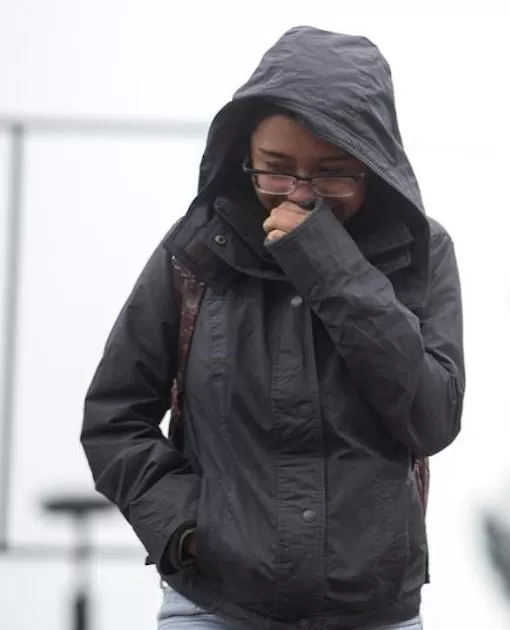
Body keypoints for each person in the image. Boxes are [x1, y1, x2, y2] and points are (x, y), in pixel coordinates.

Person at [80, 25, 464, 630]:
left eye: (333, 172)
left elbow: (432, 416)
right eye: (276, 169)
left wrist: (332, 267)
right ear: (244, 156)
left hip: (374, 613)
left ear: (374, 160)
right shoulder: (194, 251)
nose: (300, 193)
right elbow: (113, 417)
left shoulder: (423, 253)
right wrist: (185, 529)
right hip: (214, 606)